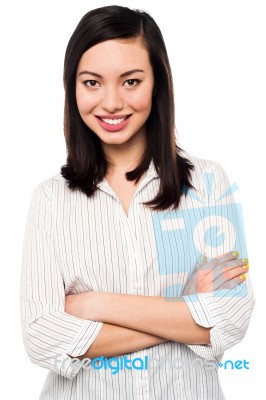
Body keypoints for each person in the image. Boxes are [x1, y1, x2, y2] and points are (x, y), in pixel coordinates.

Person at [20, 5, 255, 400]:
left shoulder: (208, 183)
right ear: (72, 87)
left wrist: (94, 304)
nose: (111, 102)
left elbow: (229, 320)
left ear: (157, 84)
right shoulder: (50, 199)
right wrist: (182, 309)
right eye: (92, 82)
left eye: (130, 81)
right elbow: (42, 336)